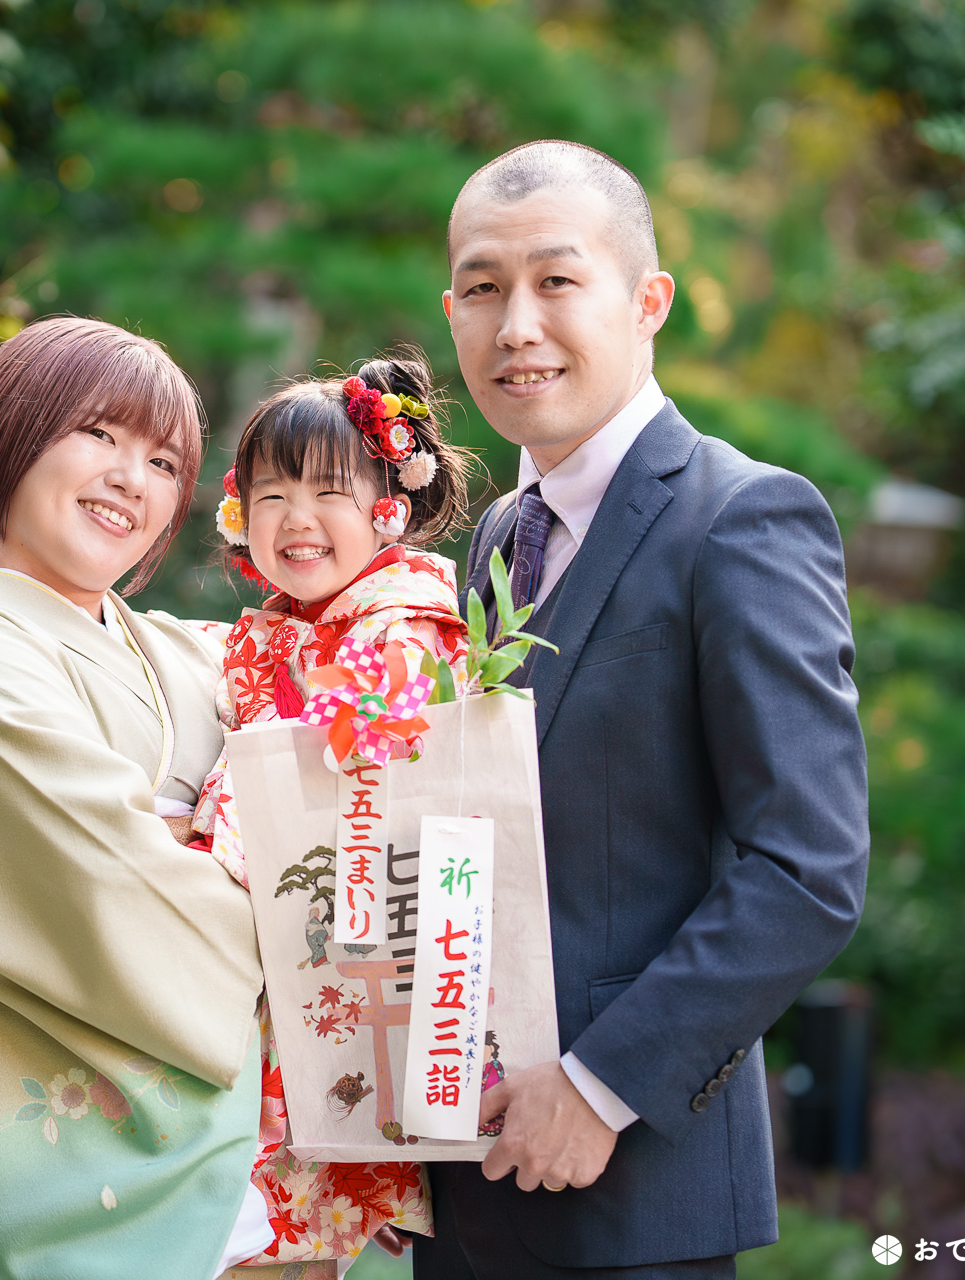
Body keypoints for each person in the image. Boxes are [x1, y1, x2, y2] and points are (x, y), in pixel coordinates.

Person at [414, 141, 870, 1277]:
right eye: (482, 288)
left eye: (556, 281)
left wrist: (599, 1083)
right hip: (459, 1184)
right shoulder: (488, 539)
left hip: (629, 1196)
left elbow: (807, 866)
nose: (516, 324)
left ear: (647, 299)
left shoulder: (743, 518)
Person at [0, 316, 280, 1280]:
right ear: (9, 434)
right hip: (67, 1180)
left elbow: (346, 721)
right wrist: (290, 904)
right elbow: (114, 885)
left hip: (247, 1177)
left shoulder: (178, 649)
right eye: (99, 433)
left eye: (164, 460)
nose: (133, 476)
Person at [190, 352, 475, 1268]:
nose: (295, 520)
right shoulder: (279, 628)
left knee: (276, 1242)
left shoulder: (405, 625)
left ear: (388, 507)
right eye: (270, 495)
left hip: (346, 952)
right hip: (276, 959)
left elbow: (312, 772)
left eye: (327, 493)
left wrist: (186, 857)